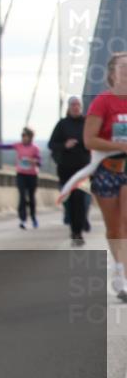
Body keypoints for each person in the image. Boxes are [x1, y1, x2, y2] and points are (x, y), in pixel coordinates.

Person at [82, 52, 127, 302]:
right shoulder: (103, 102)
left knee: (126, 222)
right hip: (106, 170)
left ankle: (124, 276)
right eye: (124, 67)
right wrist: (120, 146)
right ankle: (119, 268)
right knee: (115, 227)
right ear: (112, 73)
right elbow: (89, 139)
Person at [49, 96, 92, 245]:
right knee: (70, 202)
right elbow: (51, 144)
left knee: (81, 200)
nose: (75, 107)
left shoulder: (87, 123)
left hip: (83, 169)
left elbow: (95, 141)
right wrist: (64, 145)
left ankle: (77, 233)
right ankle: (74, 229)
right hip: (66, 169)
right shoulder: (62, 124)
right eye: (73, 105)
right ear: (68, 107)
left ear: (81, 107)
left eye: (78, 105)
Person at [0, 128, 42, 229]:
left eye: (25, 136)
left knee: (31, 198)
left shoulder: (35, 148)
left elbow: (39, 162)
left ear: (30, 137)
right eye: (22, 136)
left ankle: (33, 217)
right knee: (22, 197)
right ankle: (23, 220)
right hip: (21, 175)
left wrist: (33, 161)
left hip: (32, 175)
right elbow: (3, 147)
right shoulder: (18, 145)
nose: (23, 138)